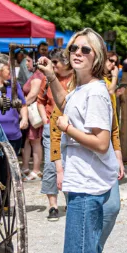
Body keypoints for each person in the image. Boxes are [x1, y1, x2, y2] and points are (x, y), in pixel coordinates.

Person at [37, 28, 119, 253]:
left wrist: (67, 129)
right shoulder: (81, 89)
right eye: (74, 48)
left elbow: (101, 143)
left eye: (85, 49)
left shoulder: (97, 92)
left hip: (87, 188)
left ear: (96, 56)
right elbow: (64, 103)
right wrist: (49, 76)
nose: (77, 53)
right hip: (80, 186)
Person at [49, 51, 125, 253]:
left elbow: (113, 128)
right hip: (76, 164)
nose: (78, 55)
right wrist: (59, 168)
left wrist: (118, 155)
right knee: (83, 217)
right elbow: (56, 132)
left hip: (103, 160)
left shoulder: (101, 91)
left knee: (112, 207)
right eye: (75, 51)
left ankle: (94, 250)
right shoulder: (68, 94)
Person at [39, 49, 72, 221]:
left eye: (56, 62)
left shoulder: (76, 79)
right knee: (51, 167)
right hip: (51, 129)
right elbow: (40, 101)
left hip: (71, 129)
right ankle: (52, 205)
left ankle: (70, 201)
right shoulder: (48, 79)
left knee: (70, 166)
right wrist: (45, 119)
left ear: (65, 62)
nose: (52, 65)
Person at [0, 54, 28, 153]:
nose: (12, 71)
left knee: (10, 167)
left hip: (14, 136)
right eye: (8, 68)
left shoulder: (14, 85)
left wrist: (24, 118)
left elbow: (23, 105)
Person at [21, 63, 46, 180]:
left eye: (29, 61)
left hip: (33, 112)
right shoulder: (38, 75)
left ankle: (36, 170)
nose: (26, 64)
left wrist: (21, 105)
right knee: (29, 141)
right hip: (32, 112)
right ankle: (26, 168)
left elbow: (33, 95)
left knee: (35, 141)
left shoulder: (38, 76)